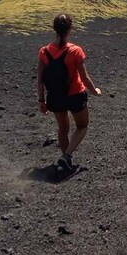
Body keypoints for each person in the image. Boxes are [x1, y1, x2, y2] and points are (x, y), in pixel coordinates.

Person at [36, 14, 102, 174]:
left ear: (54, 29)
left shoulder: (44, 52)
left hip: (55, 97)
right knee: (82, 126)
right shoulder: (75, 51)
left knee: (63, 129)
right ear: (70, 29)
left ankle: (65, 160)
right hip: (75, 95)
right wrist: (95, 91)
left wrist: (41, 101)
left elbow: (40, 80)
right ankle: (66, 156)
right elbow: (85, 78)